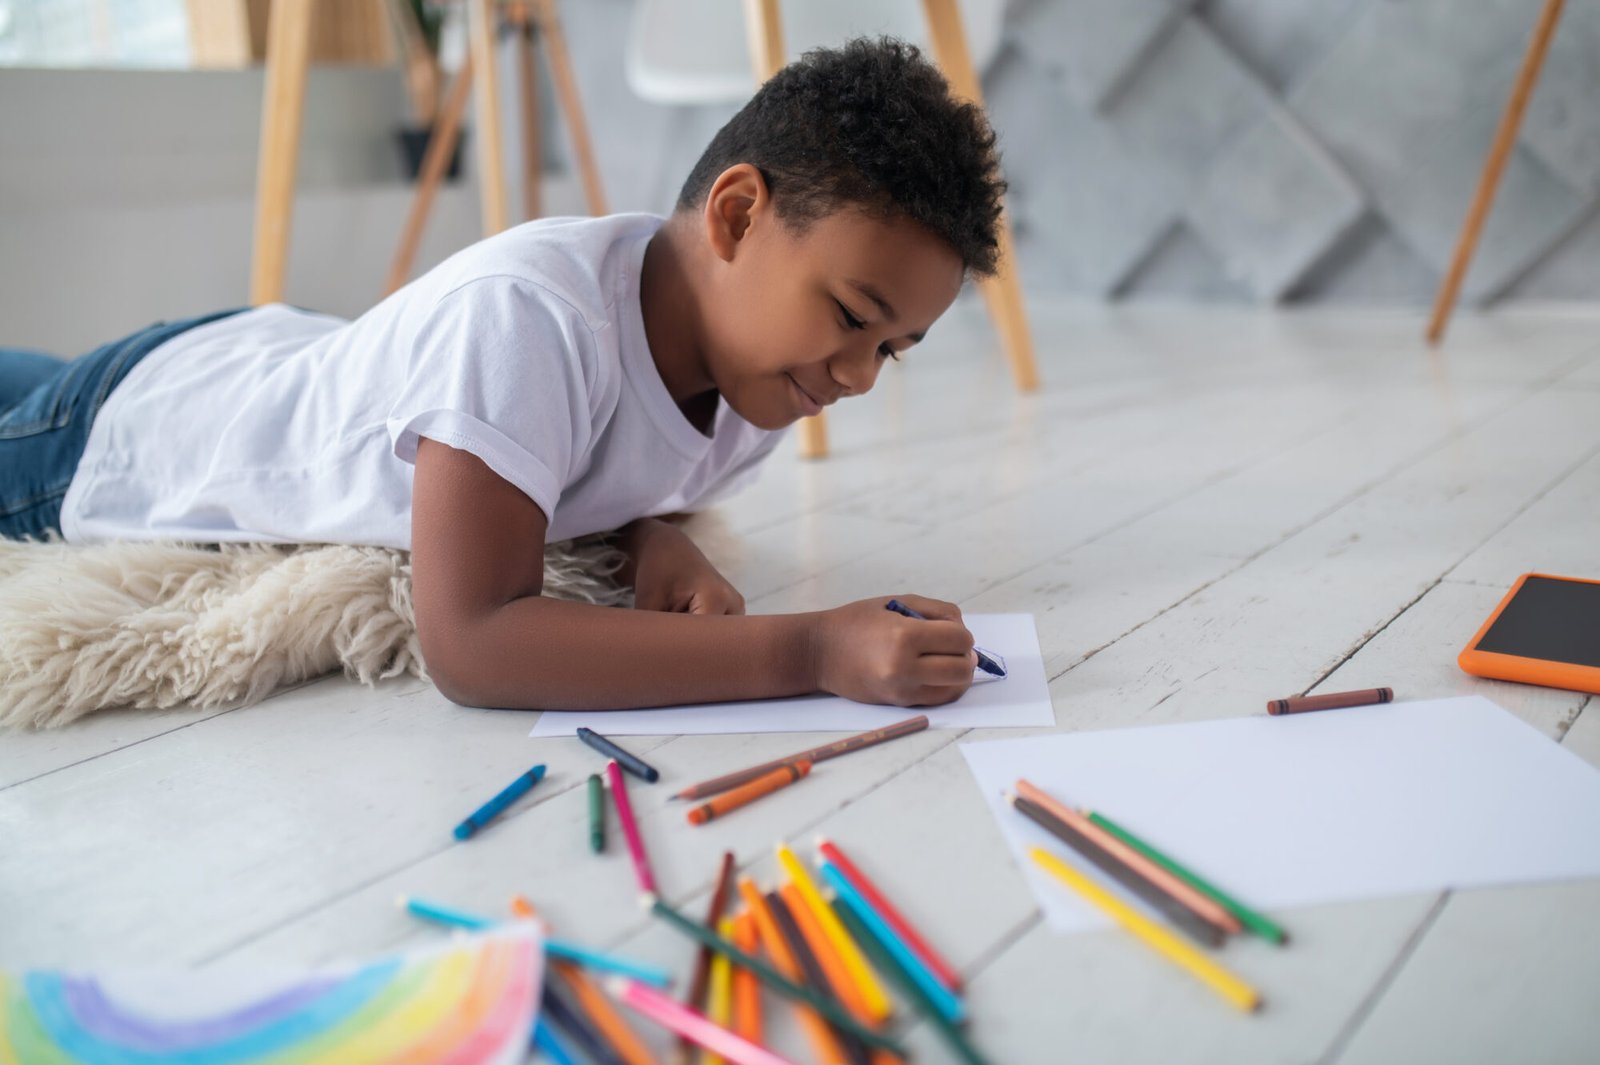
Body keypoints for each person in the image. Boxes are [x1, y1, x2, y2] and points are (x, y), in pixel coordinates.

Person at [0, 37, 1007, 713]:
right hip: (132, 429)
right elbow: (473, 641)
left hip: (270, 351)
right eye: (849, 320)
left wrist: (642, 532)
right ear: (737, 217)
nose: (860, 376)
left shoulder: (761, 376)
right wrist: (809, 652)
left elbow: (581, 453)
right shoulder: (529, 317)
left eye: (890, 349)